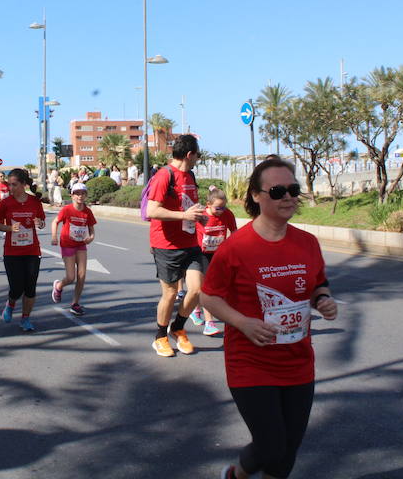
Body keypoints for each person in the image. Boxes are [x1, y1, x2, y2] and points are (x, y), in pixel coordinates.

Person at [201, 156, 338, 479]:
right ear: (256, 196)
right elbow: (209, 296)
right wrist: (243, 322)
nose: (288, 196)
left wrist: (324, 300)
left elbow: (318, 283)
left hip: (298, 362)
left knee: (287, 450)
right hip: (251, 363)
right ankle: (235, 475)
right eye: (277, 190)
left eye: (293, 189)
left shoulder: (308, 243)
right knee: (271, 445)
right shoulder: (236, 247)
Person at [145, 134, 207, 357]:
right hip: (166, 244)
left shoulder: (190, 175)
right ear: (190, 154)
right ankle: (160, 336)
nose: (198, 159)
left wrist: (199, 217)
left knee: (198, 289)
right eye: (197, 155)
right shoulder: (164, 175)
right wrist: (184, 215)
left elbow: (188, 206)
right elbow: (152, 211)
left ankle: (178, 327)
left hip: (190, 242)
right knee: (170, 293)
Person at [0, 168, 46, 331]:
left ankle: (25, 319)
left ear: (24, 184)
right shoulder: (5, 203)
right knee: (16, 287)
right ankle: (10, 304)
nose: (11, 188)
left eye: (14, 185)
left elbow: (42, 221)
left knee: (30, 288)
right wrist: (10, 228)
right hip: (12, 252)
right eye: (9, 185)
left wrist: (40, 223)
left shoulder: (34, 202)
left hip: (32, 251)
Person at [192, 186, 239, 336]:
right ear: (208, 205)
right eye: (218, 208)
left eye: (224, 207)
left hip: (218, 254)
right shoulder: (200, 216)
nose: (221, 211)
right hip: (201, 254)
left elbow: (234, 232)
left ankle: (197, 310)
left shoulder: (227, 214)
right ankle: (209, 323)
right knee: (206, 288)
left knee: (212, 287)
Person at [50, 183, 96, 315]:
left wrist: (91, 238)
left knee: (82, 276)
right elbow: (55, 222)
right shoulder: (67, 209)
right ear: (72, 195)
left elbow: (92, 230)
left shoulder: (87, 211)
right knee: (71, 278)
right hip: (67, 244)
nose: (80, 196)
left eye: (82, 193)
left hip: (81, 244)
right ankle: (58, 286)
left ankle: (75, 303)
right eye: (77, 193)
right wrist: (54, 236)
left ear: (86, 195)